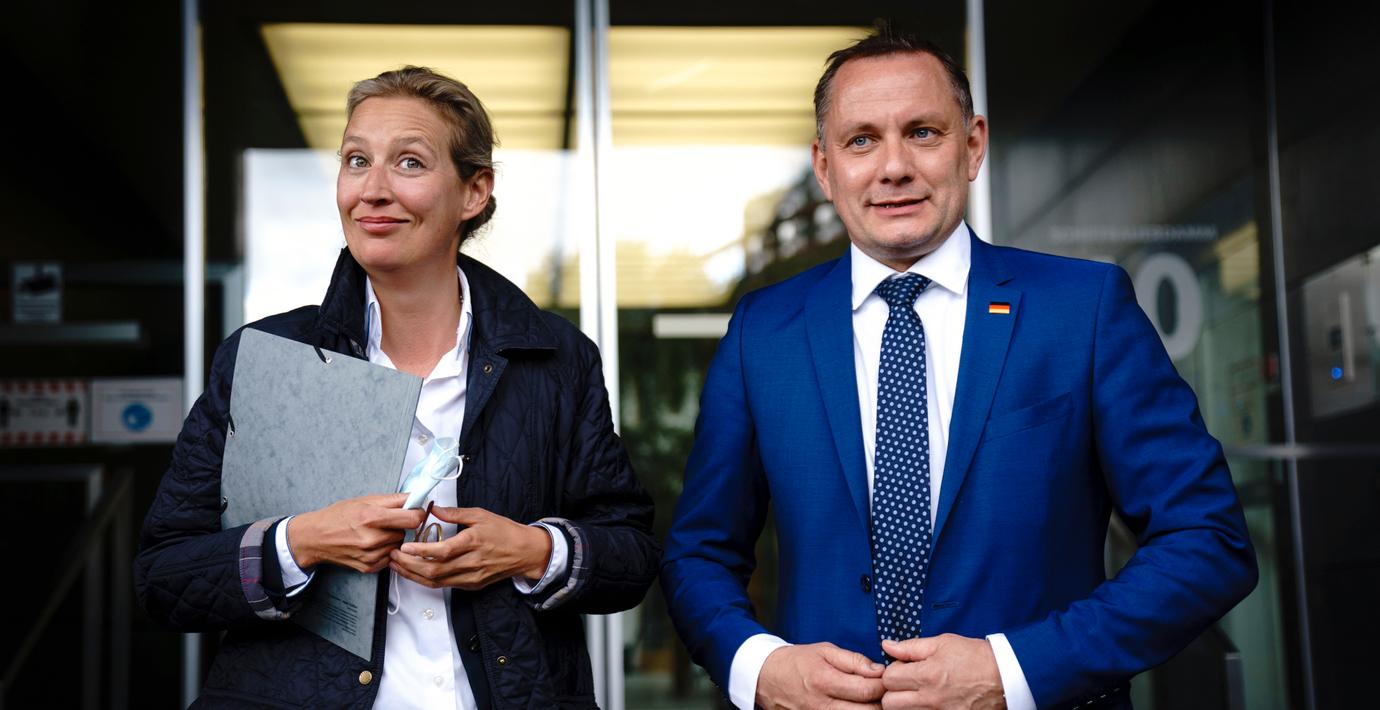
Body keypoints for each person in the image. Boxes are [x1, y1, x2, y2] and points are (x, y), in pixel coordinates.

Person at [660, 28, 1257, 710]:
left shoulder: (1083, 310)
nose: (893, 167)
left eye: (922, 132)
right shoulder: (762, 333)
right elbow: (698, 553)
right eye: (861, 141)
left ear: (972, 146)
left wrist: (1015, 671)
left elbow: (1207, 540)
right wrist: (760, 667)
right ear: (824, 168)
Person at [135, 66, 659, 709]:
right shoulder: (264, 357)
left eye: (409, 162)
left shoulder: (555, 359)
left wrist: (531, 550)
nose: (373, 190)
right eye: (357, 161)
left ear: (474, 192)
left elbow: (632, 556)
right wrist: (303, 541)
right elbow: (163, 577)